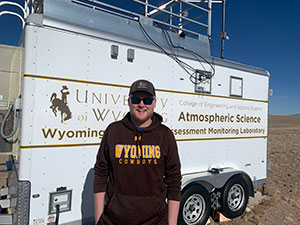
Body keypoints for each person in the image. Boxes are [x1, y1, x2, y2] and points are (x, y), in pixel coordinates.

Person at [93, 79, 182, 225]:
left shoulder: (165, 135)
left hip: (155, 221)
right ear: (129, 101)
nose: (141, 104)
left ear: (154, 103)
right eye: (136, 99)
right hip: (114, 220)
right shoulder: (113, 131)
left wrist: (171, 223)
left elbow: (174, 181)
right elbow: (101, 174)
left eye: (147, 100)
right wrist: (98, 219)